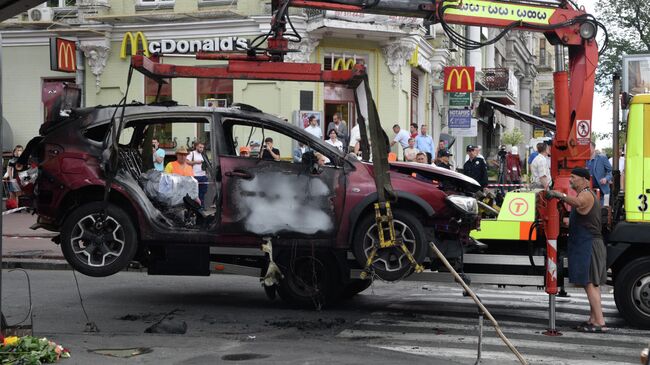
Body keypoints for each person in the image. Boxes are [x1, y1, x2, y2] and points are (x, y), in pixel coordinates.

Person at [547, 168, 608, 332]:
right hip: (586, 244)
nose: (570, 180)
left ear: (584, 180)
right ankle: (593, 319)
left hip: (589, 245)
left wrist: (559, 195)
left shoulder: (586, 194)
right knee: (591, 283)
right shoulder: (585, 194)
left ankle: (599, 323)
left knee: (589, 283)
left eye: (573, 177)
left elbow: (579, 203)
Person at [187, 141, 208, 208]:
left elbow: (206, 164)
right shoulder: (192, 153)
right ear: (196, 147)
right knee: (195, 193)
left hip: (203, 175)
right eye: (200, 147)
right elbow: (187, 162)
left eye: (202, 147)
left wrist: (207, 173)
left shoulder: (204, 155)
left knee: (203, 192)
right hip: (194, 175)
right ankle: (196, 207)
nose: (201, 149)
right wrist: (196, 162)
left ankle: (201, 206)